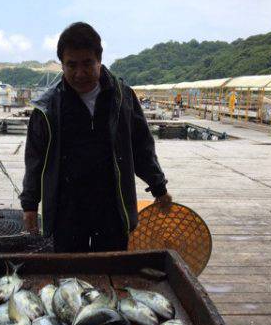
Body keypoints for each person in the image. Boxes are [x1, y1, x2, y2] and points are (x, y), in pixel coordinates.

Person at [20, 22, 171, 253]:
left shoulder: (123, 97)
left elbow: (141, 147)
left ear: (99, 59)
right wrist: (30, 205)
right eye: (71, 65)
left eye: (87, 63)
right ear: (62, 64)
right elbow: (35, 160)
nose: (80, 73)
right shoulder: (47, 107)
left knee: (112, 270)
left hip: (112, 204)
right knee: (70, 275)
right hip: (66, 207)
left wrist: (158, 186)